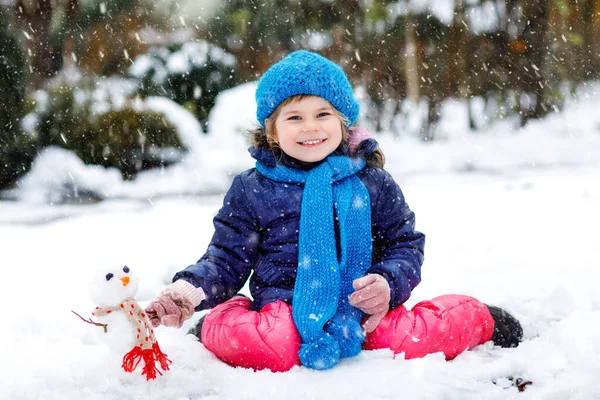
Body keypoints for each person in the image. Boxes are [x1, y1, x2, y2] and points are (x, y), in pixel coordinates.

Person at [145, 50, 523, 372]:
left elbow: (404, 245)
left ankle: (480, 319)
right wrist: (189, 291)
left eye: (323, 114)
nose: (311, 127)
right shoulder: (252, 188)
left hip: (362, 310)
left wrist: (387, 285)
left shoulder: (373, 182)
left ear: (343, 122)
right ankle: (219, 321)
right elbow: (227, 257)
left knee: (406, 339)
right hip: (284, 308)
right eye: (294, 117)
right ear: (273, 131)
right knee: (273, 345)